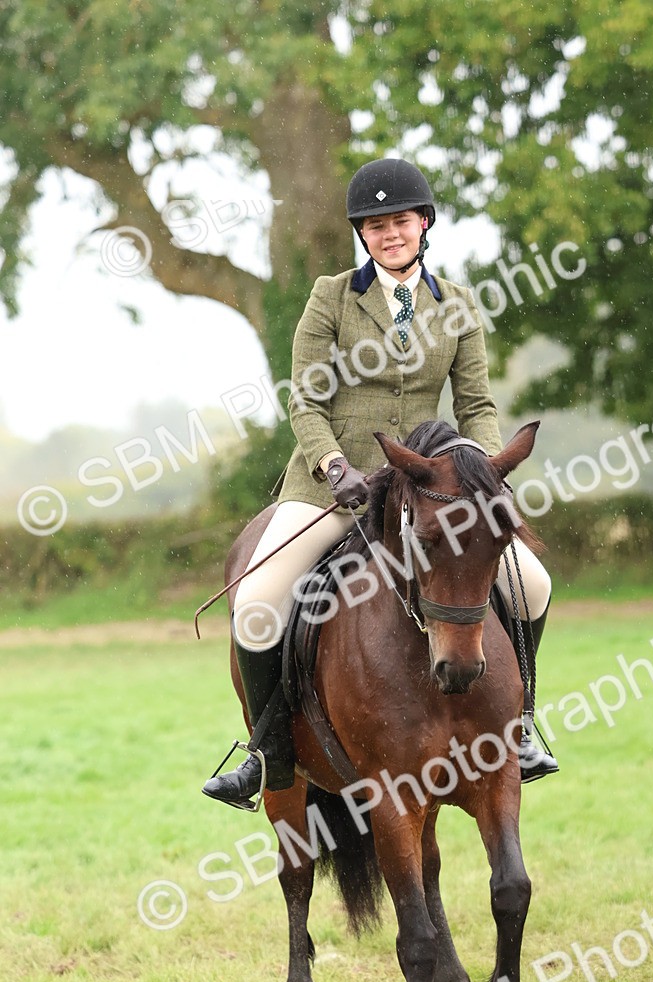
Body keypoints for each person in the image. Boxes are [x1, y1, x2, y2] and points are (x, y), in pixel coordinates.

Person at [202, 158, 558, 810]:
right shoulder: (330, 298)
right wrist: (334, 466)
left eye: (400, 221)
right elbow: (307, 401)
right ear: (361, 234)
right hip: (335, 490)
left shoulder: (457, 305)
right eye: (375, 225)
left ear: (424, 224)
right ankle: (267, 749)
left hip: (427, 491)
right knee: (256, 603)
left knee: (533, 585)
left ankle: (523, 724)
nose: (389, 234)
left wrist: (480, 470)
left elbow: (476, 405)